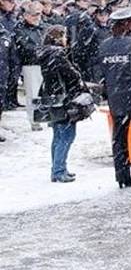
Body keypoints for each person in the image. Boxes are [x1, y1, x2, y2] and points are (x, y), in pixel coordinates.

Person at [96, 8, 131, 188]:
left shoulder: (104, 45)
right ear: (128, 24)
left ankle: (122, 174)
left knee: (119, 138)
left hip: (115, 96)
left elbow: (102, 72)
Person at [38, 25, 85, 183]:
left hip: (53, 97)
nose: (66, 39)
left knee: (58, 135)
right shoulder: (58, 53)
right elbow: (70, 74)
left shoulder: (45, 52)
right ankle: (59, 170)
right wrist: (77, 74)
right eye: (64, 36)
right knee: (66, 135)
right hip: (63, 98)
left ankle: (57, 168)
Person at [15, 1, 46, 131]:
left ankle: (46, 115)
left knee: (46, 92)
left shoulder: (43, 27)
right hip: (30, 64)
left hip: (45, 63)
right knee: (33, 93)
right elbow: (25, 47)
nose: (37, 17)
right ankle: (34, 119)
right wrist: (41, 50)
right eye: (34, 15)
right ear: (26, 15)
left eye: (38, 14)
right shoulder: (20, 29)